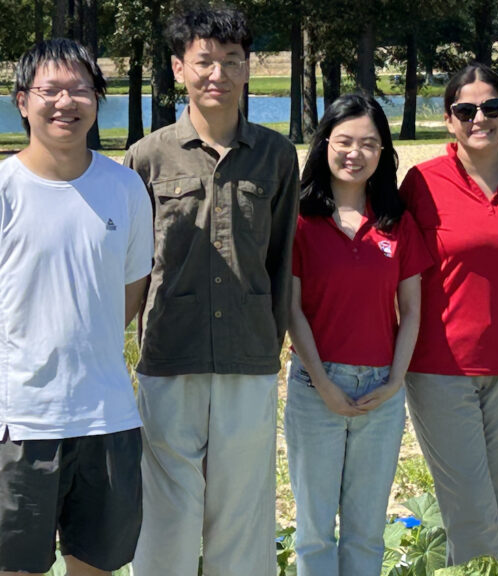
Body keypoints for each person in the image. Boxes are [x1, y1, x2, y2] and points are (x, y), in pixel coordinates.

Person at [0, 38, 153, 576]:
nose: (65, 102)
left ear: (97, 101)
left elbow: (132, 287)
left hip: (106, 418)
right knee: (16, 569)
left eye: (80, 89)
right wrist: (10, 363)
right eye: (50, 89)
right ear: (23, 101)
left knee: (97, 566)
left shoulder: (125, 188)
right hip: (16, 425)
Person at [122, 6, 299, 576]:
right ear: (179, 69)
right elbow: (134, 267)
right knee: (167, 509)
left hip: (249, 355)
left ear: (249, 69)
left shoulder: (276, 155)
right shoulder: (147, 158)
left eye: (231, 61)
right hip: (169, 352)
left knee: (243, 509)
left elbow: (282, 259)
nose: (217, 73)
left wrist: (273, 340)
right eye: (204, 61)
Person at [399, 62, 498, 565]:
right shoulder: (422, 182)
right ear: (448, 119)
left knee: (490, 500)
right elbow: (396, 274)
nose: (479, 118)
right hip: (440, 368)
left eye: (491, 107)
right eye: (466, 110)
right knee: (471, 507)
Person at [285, 94, 432, 576]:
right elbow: (291, 308)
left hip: (380, 391)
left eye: (369, 143)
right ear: (324, 143)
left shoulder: (397, 222)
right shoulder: (300, 220)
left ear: (383, 153)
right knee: (313, 533)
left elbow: (411, 310)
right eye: (344, 141)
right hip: (314, 388)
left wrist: (394, 383)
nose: (355, 153)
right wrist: (323, 384)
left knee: (367, 532)